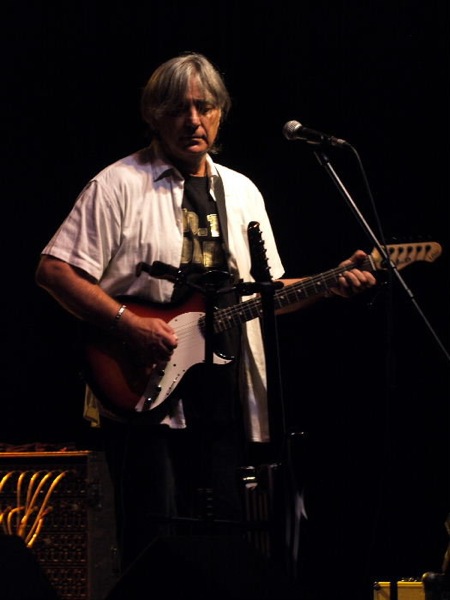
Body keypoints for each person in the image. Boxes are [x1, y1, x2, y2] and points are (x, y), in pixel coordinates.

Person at [35, 51, 376, 574]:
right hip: (144, 390)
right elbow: (54, 271)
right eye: (178, 108)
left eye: (205, 107)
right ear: (153, 115)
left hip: (224, 399)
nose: (193, 119)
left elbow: (266, 293)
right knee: (153, 547)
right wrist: (129, 324)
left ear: (221, 114)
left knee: (225, 549)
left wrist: (331, 282)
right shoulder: (118, 184)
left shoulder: (242, 192)